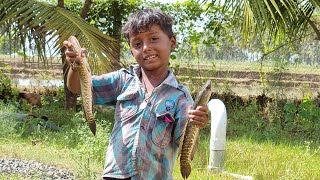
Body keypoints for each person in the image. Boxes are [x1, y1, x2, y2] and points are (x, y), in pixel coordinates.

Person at [64, 8, 209, 180]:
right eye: (137, 44)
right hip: (115, 176)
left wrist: (198, 122)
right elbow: (77, 87)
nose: (146, 48)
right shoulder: (123, 80)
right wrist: (76, 65)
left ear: (172, 42)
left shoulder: (180, 97)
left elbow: (183, 141)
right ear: (131, 50)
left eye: (154, 39)